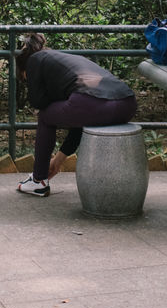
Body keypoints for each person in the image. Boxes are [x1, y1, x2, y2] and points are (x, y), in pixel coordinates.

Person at [14, 33, 137, 197]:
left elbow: (38, 102)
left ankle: (38, 181)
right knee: (75, 113)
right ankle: (45, 174)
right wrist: (57, 161)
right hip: (127, 104)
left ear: (24, 70)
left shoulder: (34, 60)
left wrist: (42, 92)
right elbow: (79, 123)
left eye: (25, 79)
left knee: (45, 116)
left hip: (93, 103)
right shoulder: (65, 62)